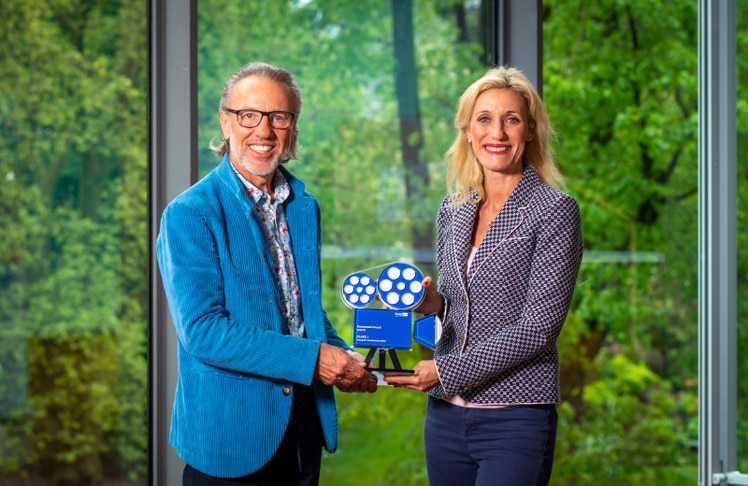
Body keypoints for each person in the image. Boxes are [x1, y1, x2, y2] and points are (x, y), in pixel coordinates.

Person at [156, 61, 377, 486]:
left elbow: (301, 308)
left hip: (303, 428)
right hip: (231, 439)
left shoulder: (302, 205)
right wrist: (316, 360)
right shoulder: (189, 214)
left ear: (293, 127)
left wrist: (346, 356)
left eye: (279, 116)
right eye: (249, 115)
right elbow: (203, 331)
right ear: (225, 121)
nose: (264, 130)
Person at [385, 66, 583, 486]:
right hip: (444, 419)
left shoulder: (555, 211)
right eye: (484, 119)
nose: (498, 132)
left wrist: (445, 371)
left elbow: (538, 330)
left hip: (516, 418)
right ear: (468, 131)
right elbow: (454, 313)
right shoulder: (453, 210)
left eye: (511, 119)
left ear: (529, 131)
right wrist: (429, 304)